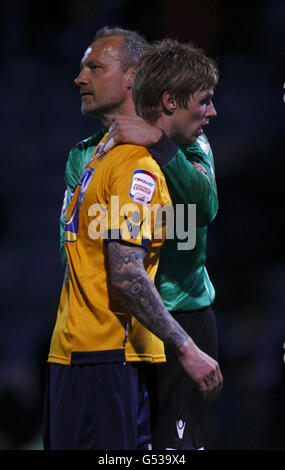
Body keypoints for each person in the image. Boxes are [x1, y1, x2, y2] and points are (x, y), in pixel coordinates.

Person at [45, 28, 222, 450]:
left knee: (173, 451)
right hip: (120, 329)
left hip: (179, 316)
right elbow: (77, 244)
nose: (80, 78)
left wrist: (159, 143)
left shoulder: (188, 142)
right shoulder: (86, 155)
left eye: (94, 66)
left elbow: (203, 207)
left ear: (131, 78)